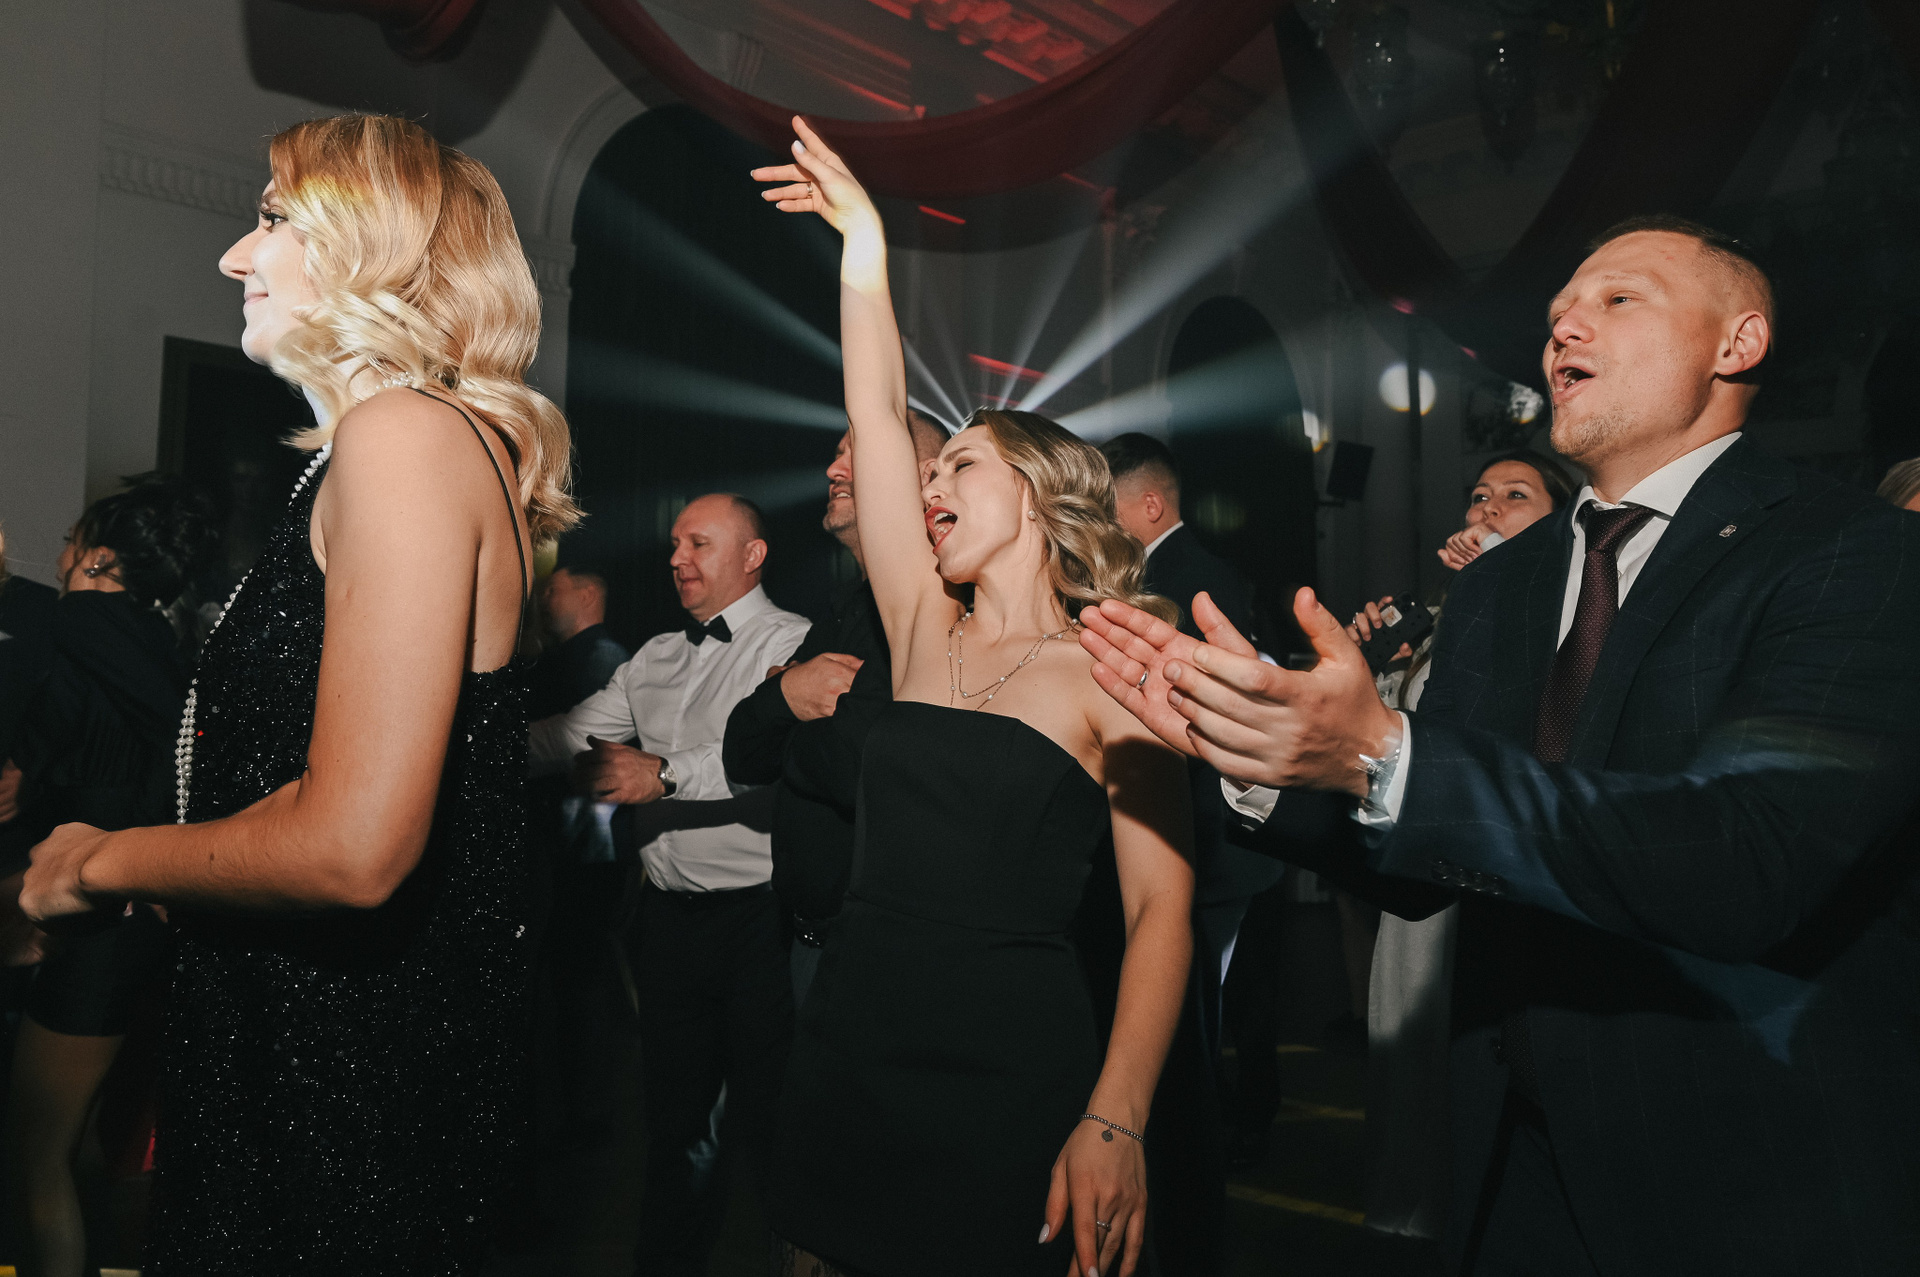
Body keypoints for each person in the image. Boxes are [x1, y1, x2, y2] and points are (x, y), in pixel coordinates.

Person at [1081, 215, 1920, 1275]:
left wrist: (1387, 753)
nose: (1565, 323)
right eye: (1560, 308)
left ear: (1737, 342)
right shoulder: (1501, 585)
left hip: (1742, 1166)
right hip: (1511, 1153)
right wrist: (1254, 752)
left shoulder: (1855, 552)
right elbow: (1428, 862)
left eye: (1618, 298)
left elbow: (1750, 854)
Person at [21, 114, 577, 1276]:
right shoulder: (391, 447)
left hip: (342, 1086)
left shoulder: (406, 436)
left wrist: (99, 860)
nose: (235, 254)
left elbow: (354, 845)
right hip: (306, 1050)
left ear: (375, 244)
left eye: (272, 218)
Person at [753, 118, 1194, 1277]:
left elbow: (1161, 909)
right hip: (850, 1044)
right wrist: (863, 248)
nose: (928, 486)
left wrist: (1117, 1116)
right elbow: (875, 409)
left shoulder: (1113, 667)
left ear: (1039, 496)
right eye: (928, 471)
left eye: (960, 466)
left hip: (1010, 1071)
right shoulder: (918, 627)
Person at [528, 492, 808, 1277]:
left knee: (774, 1127)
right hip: (669, 927)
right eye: (675, 544)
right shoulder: (653, 656)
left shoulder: (793, 644)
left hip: (762, 926)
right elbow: (567, 734)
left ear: (753, 555)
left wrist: (664, 773)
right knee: (674, 1124)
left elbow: (774, 757)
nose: (677, 558)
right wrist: (458, 745)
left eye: (699, 543)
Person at [1345, 448, 1572, 1245]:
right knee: (1415, 1077)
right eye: (1479, 495)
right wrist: (1371, 671)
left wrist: (1496, 586)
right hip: (1423, 884)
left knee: (1484, 1086)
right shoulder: (1437, 624)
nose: (1487, 508)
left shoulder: (1565, 614)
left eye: (1516, 495)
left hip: (1497, 882)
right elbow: (1380, 755)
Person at [3, 477, 215, 1277]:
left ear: (96, 557)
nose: (58, 554)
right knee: (76, 1143)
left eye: (70, 540)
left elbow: (170, 728)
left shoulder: (85, 618)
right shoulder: (146, 638)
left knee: (35, 1158)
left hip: (100, 919)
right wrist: (32, 771)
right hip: (113, 915)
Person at [1101, 430, 1269, 1267]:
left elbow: (1218, 729)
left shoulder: (1191, 581)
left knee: (1194, 1038)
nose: (1099, 519)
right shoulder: (1165, 571)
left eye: (1109, 504)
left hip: (1207, 842)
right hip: (1187, 842)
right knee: (1199, 1027)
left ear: (1149, 503)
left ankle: (1196, 1215)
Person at [722, 413, 948, 1006]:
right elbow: (741, 754)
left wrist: (782, 705)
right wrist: (786, 697)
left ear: (926, 478)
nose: (833, 469)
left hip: (885, 957)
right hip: (808, 943)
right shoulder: (845, 607)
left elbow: (859, 768)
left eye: (856, 451)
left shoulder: (943, 608)